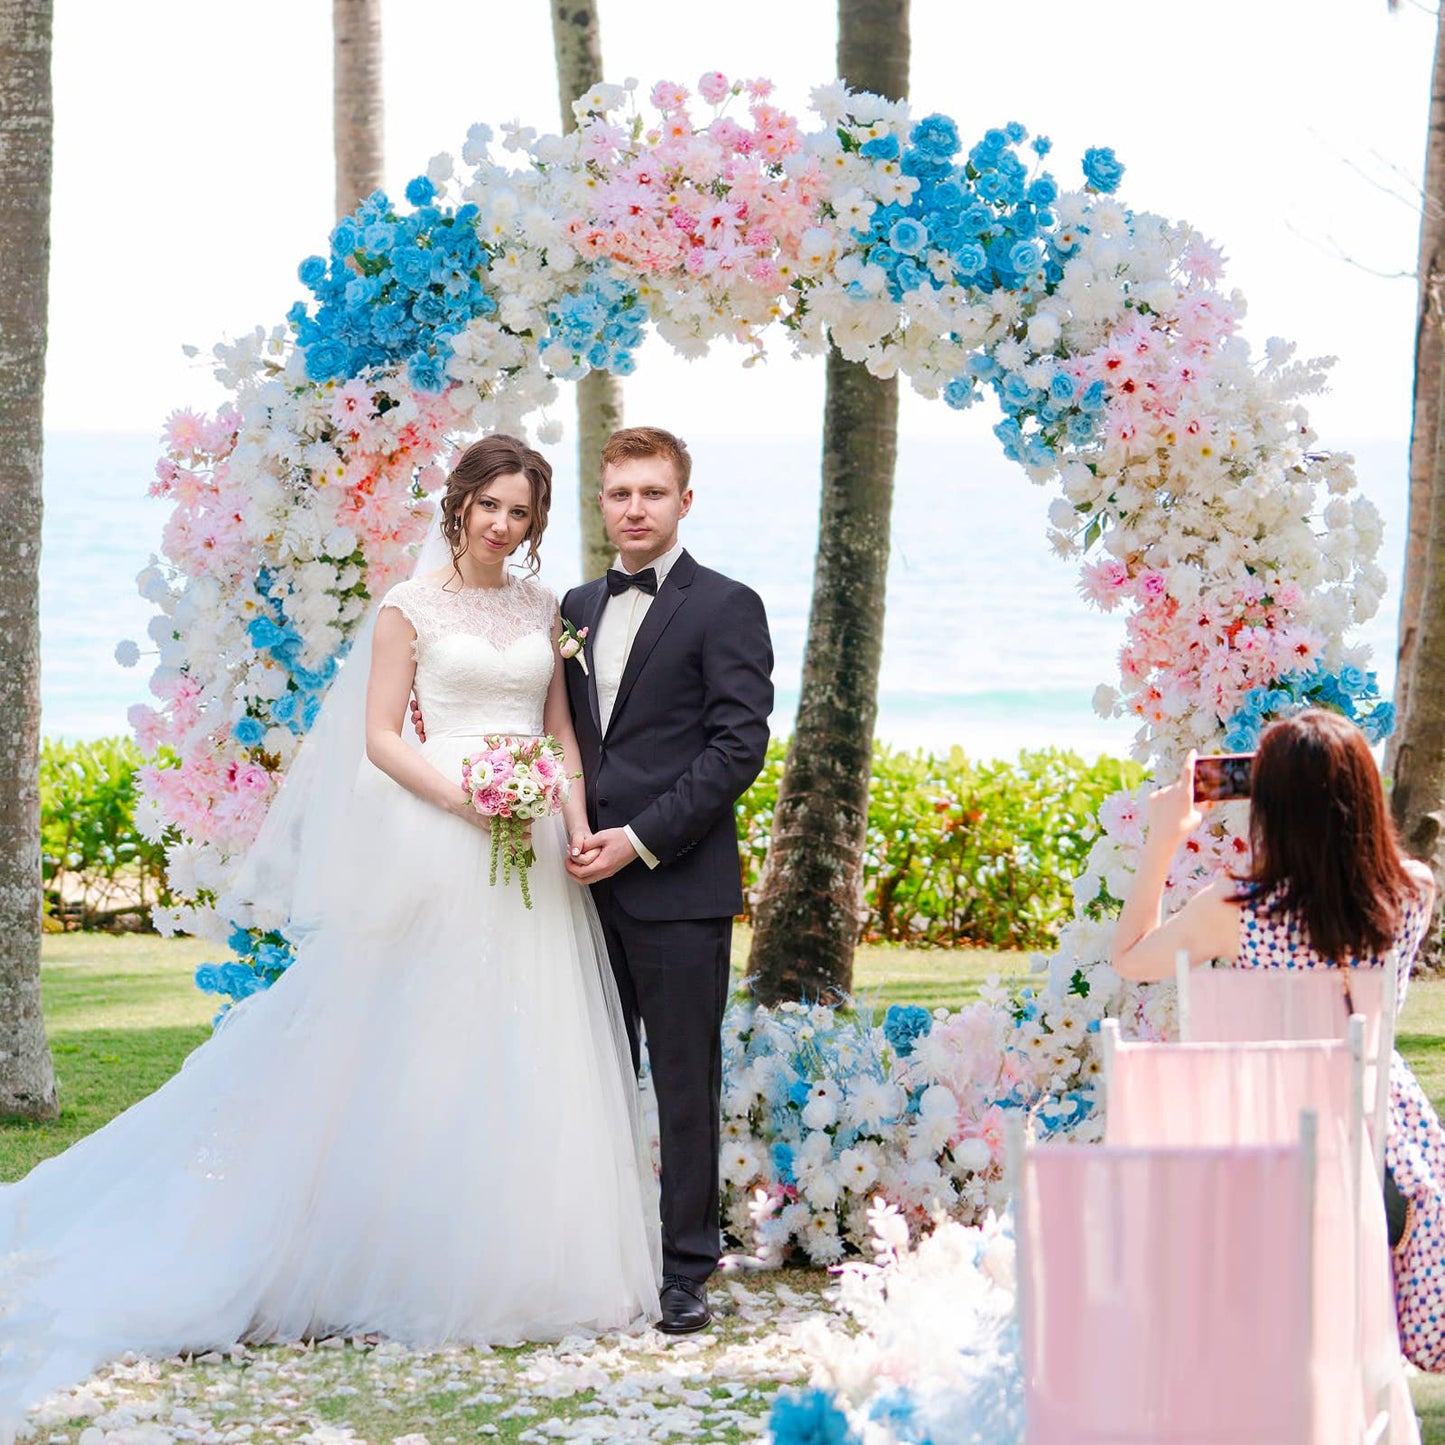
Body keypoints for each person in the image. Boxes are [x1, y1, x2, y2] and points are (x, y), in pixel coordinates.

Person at [0, 436, 660, 1432]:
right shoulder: (408, 606)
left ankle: (531, 1261)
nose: (501, 524)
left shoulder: (542, 610)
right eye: (488, 504)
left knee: (532, 1043)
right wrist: (465, 798)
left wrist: (569, 824)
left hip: (531, 850)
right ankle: (405, 1250)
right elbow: (382, 736)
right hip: (444, 833)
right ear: (458, 503)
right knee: (424, 1042)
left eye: (520, 511)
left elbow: (561, 734)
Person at [1112, 707, 1445, 1371]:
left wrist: (1163, 840)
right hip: (1374, 1132)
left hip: (1259, 1135)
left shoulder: (1233, 909)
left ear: (1269, 805)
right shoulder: (1412, 891)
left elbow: (1129, 957)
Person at [559, 426, 773, 1333]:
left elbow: (738, 747)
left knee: (683, 1086)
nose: (635, 508)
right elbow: (566, 738)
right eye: (620, 493)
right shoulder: (573, 606)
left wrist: (639, 840)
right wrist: (575, 831)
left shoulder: (725, 604)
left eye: (652, 492)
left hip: (678, 886)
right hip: (575, 888)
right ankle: (595, 1256)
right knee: (587, 1076)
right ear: (601, 501)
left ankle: (686, 1269)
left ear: (684, 500)